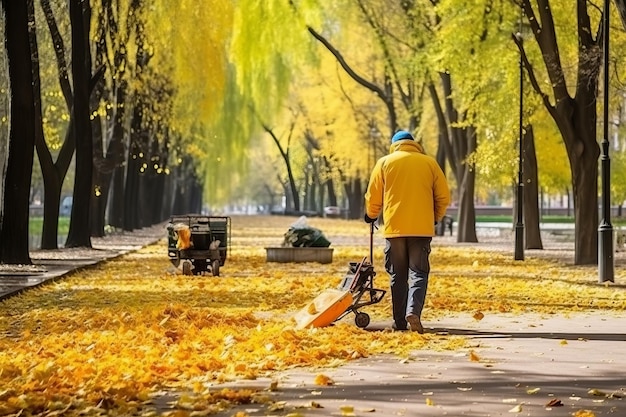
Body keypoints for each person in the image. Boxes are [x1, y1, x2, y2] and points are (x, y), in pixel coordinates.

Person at [364, 130, 450, 333]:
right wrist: (434, 218)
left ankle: (399, 321)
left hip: (395, 229)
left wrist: (371, 215)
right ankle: (414, 311)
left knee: (397, 275)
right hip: (421, 229)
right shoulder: (429, 163)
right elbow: (443, 197)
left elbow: (373, 195)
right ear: (414, 144)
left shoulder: (384, 163)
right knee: (419, 272)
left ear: (394, 144)